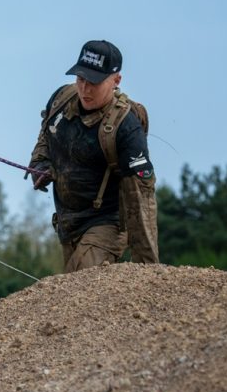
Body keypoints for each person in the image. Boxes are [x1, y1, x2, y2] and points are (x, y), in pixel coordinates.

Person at [28, 40, 159, 272]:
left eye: (94, 82)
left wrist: (147, 271)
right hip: (68, 223)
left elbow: (141, 197)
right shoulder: (60, 99)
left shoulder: (126, 127)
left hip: (107, 224)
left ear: (116, 80)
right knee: (74, 295)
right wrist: (40, 161)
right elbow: (47, 132)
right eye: (81, 79)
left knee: (76, 290)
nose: (85, 89)